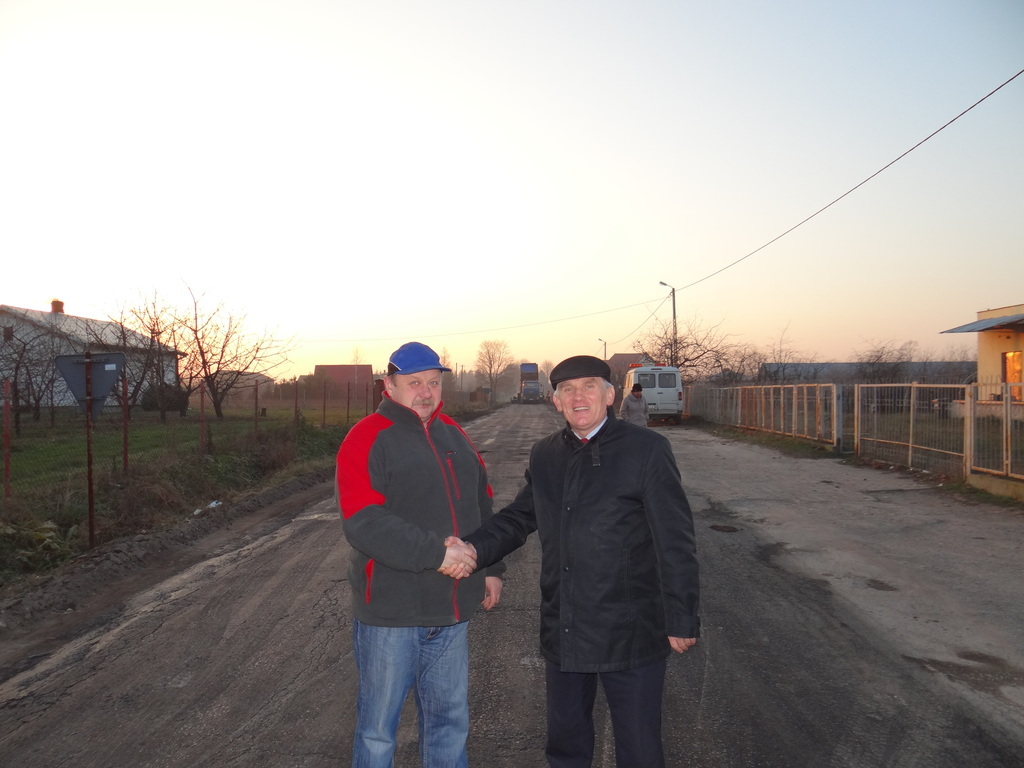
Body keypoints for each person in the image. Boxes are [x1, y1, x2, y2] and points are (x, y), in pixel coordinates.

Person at [444, 355, 699, 768]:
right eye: (568, 389)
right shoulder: (545, 454)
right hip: (565, 625)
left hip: (631, 628)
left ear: (610, 396)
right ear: (557, 401)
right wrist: (472, 549)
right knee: (566, 745)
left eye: (589, 386)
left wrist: (682, 616)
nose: (579, 396)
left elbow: (675, 539)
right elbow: (519, 517)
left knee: (639, 748)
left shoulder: (647, 450)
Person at [335, 341, 504, 768]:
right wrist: (437, 553)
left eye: (433, 382)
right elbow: (363, 520)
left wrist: (491, 567)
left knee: (449, 722)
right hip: (391, 613)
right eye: (414, 383)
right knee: (378, 731)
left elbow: (482, 504)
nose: (426, 392)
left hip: (451, 612)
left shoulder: (454, 433)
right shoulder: (367, 437)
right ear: (389, 385)